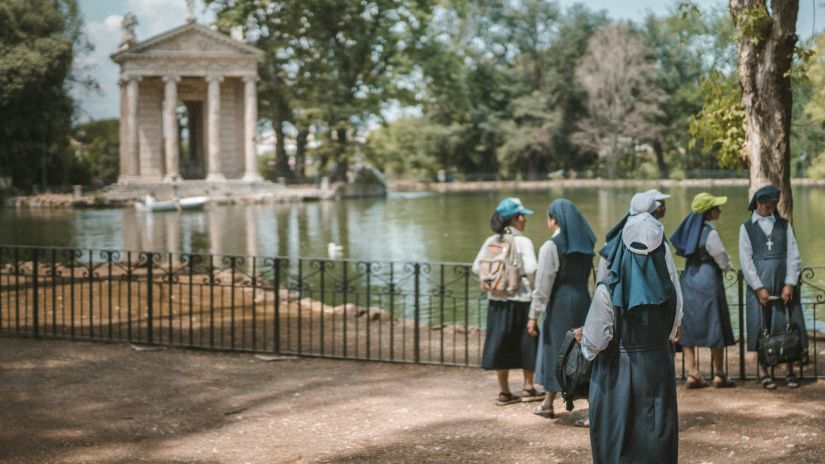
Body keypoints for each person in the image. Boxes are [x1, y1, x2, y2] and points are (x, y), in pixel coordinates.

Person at [577, 212, 683, 464]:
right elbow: (672, 330)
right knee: (656, 439)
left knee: (618, 441)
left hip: (617, 375)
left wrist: (584, 336)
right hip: (658, 370)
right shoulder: (670, 291)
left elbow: (593, 344)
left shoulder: (608, 290)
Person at [528, 199, 596, 419]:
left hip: (559, 304)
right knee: (583, 353)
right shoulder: (586, 245)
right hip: (583, 300)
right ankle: (589, 408)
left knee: (555, 350)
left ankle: (549, 403)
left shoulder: (551, 246)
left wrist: (533, 315)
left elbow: (542, 285)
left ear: (554, 219)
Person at [472, 197, 541, 405]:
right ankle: (528, 388)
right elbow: (531, 269)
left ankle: (504, 392)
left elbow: (477, 267)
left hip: (497, 300)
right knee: (527, 342)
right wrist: (535, 289)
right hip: (520, 299)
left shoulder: (492, 240)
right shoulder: (523, 242)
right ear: (515, 218)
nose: (525, 221)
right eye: (522, 217)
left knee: (500, 343)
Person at [739, 185, 806, 389]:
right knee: (763, 326)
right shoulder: (746, 228)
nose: (771, 209)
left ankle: (790, 370)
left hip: (782, 282)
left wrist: (790, 283)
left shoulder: (784, 225)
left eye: (773, 206)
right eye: (768, 206)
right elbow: (745, 260)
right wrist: (758, 288)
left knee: (787, 324)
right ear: (759, 204)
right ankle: (764, 370)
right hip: (760, 285)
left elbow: (793, 255)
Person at [670, 193, 736, 388]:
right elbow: (721, 259)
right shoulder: (710, 233)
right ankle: (720, 374)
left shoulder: (690, 231)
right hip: (708, 283)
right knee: (714, 325)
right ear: (709, 212)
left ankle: (692, 373)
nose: (720, 211)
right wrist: (728, 266)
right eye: (716, 208)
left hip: (689, 282)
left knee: (688, 327)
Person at [595, 190, 663, 283]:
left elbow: (600, 281)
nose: (662, 209)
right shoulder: (656, 242)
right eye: (660, 205)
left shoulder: (611, 243)